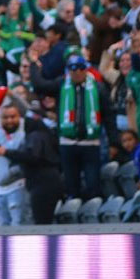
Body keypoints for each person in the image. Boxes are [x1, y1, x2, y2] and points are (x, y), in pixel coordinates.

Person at [0, 103, 63, 224]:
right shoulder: (45, 134)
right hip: (45, 181)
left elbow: (32, 156)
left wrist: (6, 152)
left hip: (43, 183)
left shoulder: (36, 136)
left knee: (42, 221)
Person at [58, 55, 113, 199]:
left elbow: (108, 116)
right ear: (68, 71)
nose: (77, 72)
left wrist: (114, 142)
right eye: (73, 69)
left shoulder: (98, 87)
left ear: (86, 69)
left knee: (93, 183)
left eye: (81, 68)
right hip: (68, 142)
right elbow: (41, 85)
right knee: (71, 185)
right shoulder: (61, 86)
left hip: (91, 143)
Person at [0, 104, 27, 226]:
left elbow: (26, 159)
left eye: (13, 117)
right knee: (1, 225)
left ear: (19, 117)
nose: (9, 120)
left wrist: (10, 173)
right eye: (5, 117)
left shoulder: (24, 135)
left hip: (18, 186)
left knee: (18, 226)